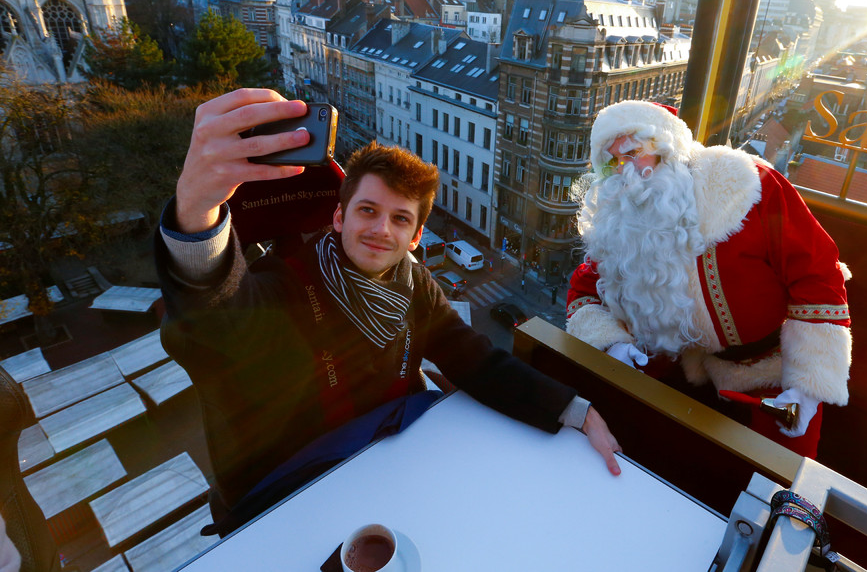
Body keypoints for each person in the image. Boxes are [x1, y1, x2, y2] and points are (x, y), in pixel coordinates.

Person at [156, 89, 621, 533]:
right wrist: (196, 214)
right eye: (367, 211)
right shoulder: (284, 286)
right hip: (293, 494)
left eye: (400, 219)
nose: (382, 230)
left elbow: (473, 358)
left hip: (388, 465)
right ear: (338, 218)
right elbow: (217, 319)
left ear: (416, 237)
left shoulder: (412, 283)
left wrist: (573, 409)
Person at [565, 100, 851, 458]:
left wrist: (808, 385)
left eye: (633, 152)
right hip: (674, 370)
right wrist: (613, 344)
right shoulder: (620, 219)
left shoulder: (748, 185)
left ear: (666, 146)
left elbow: (818, 271)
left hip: (771, 373)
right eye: (612, 162)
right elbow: (583, 290)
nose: (625, 170)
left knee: (781, 477)